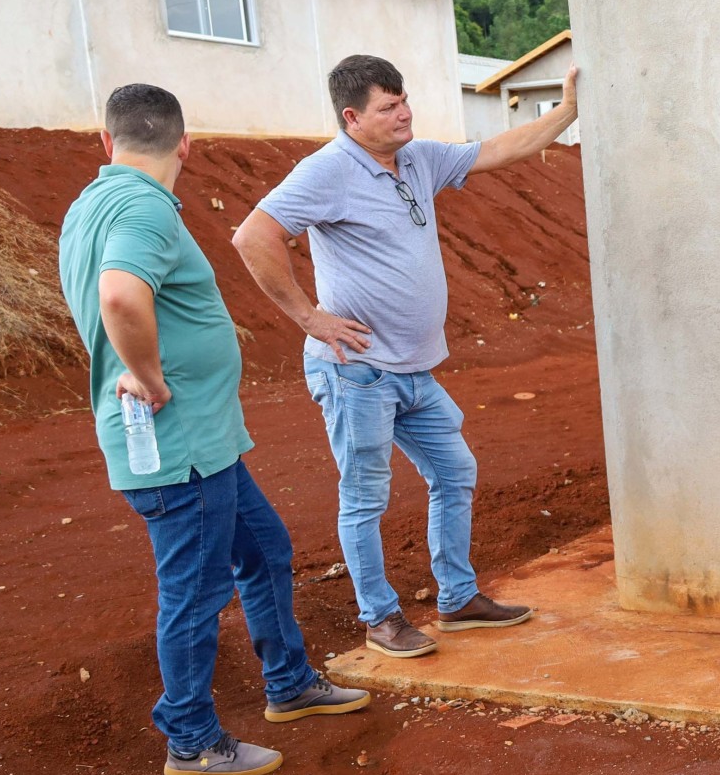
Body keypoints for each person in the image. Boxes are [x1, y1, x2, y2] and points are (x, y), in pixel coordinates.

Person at [58, 84, 370, 775]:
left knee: (263, 550)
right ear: (185, 145)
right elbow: (118, 293)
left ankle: (288, 684)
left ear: (107, 144)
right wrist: (147, 373)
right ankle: (192, 737)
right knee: (195, 594)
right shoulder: (142, 207)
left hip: (205, 443)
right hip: (179, 447)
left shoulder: (93, 202)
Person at [234, 54, 578, 658]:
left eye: (404, 100)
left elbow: (499, 149)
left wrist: (569, 111)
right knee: (365, 495)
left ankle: (458, 598)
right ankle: (380, 618)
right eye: (388, 107)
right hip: (357, 372)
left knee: (454, 472)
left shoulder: (419, 159)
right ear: (352, 117)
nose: (404, 113)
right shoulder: (326, 170)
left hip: (412, 369)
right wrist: (310, 319)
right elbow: (252, 236)